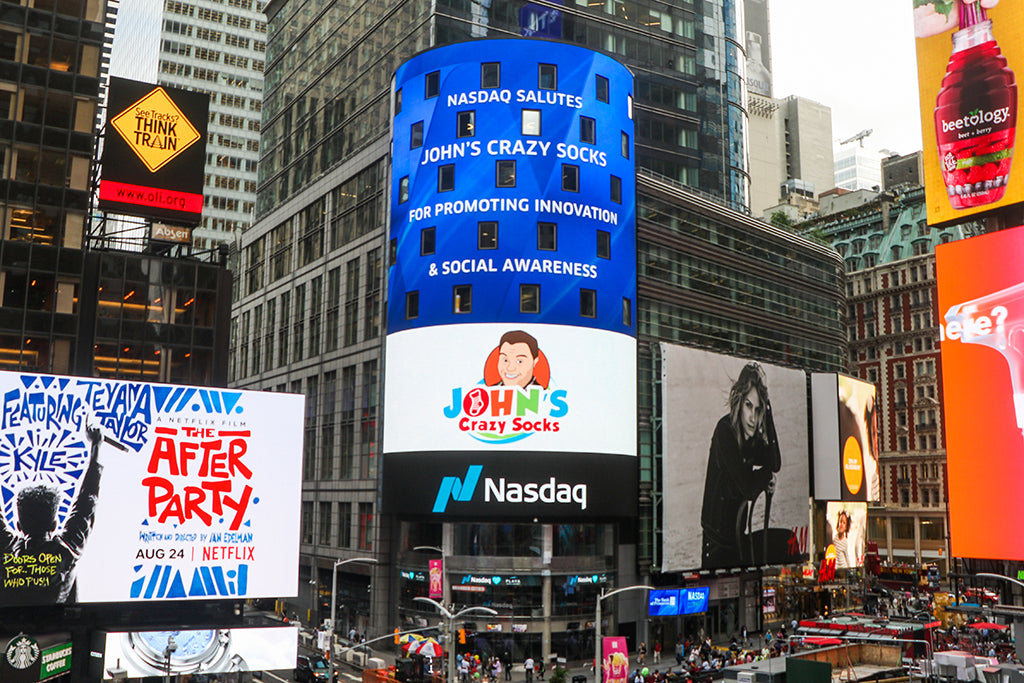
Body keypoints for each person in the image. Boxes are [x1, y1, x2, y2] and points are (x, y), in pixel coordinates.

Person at [4, 425, 105, 603]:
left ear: (19, 526)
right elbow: (86, 502)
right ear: (54, 525)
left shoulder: (6, 550)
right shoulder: (66, 550)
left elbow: (86, 503)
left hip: (11, 631)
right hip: (60, 630)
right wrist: (96, 446)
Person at [701, 363, 781, 569]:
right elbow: (746, 486)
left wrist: (769, 412)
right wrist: (765, 477)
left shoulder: (751, 439)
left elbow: (775, 462)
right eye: (748, 406)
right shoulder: (725, 431)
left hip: (736, 538)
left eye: (758, 409)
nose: (753, 417)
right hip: (717, 543)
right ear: (739, 402)